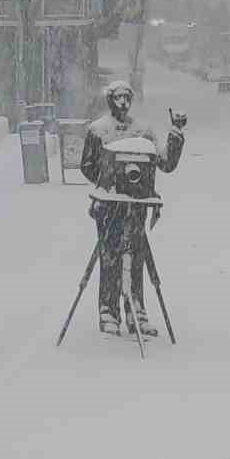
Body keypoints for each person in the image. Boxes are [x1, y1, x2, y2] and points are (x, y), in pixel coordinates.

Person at [80, 80, 185, 337]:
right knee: (110, 257)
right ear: (110, 100)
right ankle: (109, 311)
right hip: (109, 207)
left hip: (136, 208)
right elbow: (87, 165)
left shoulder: (143, 131)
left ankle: (136, 310)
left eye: (127, 97)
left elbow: (165, 163)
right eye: (118, 98)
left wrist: (176, 134)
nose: (123, 103)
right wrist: (109, 182)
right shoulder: (98, 131)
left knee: (137, 258)